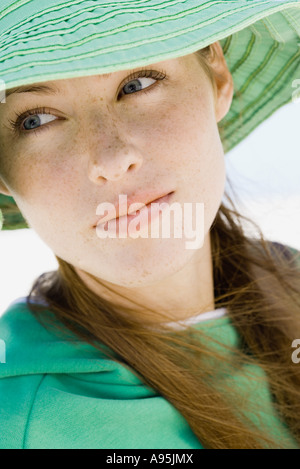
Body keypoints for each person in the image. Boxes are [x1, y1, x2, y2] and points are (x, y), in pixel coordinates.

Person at [0, 0, 299, 450]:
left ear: (217, 76)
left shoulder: (290, 280)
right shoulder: (22, 424)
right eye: (37, 119)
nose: (112, 159)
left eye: (137, 84)